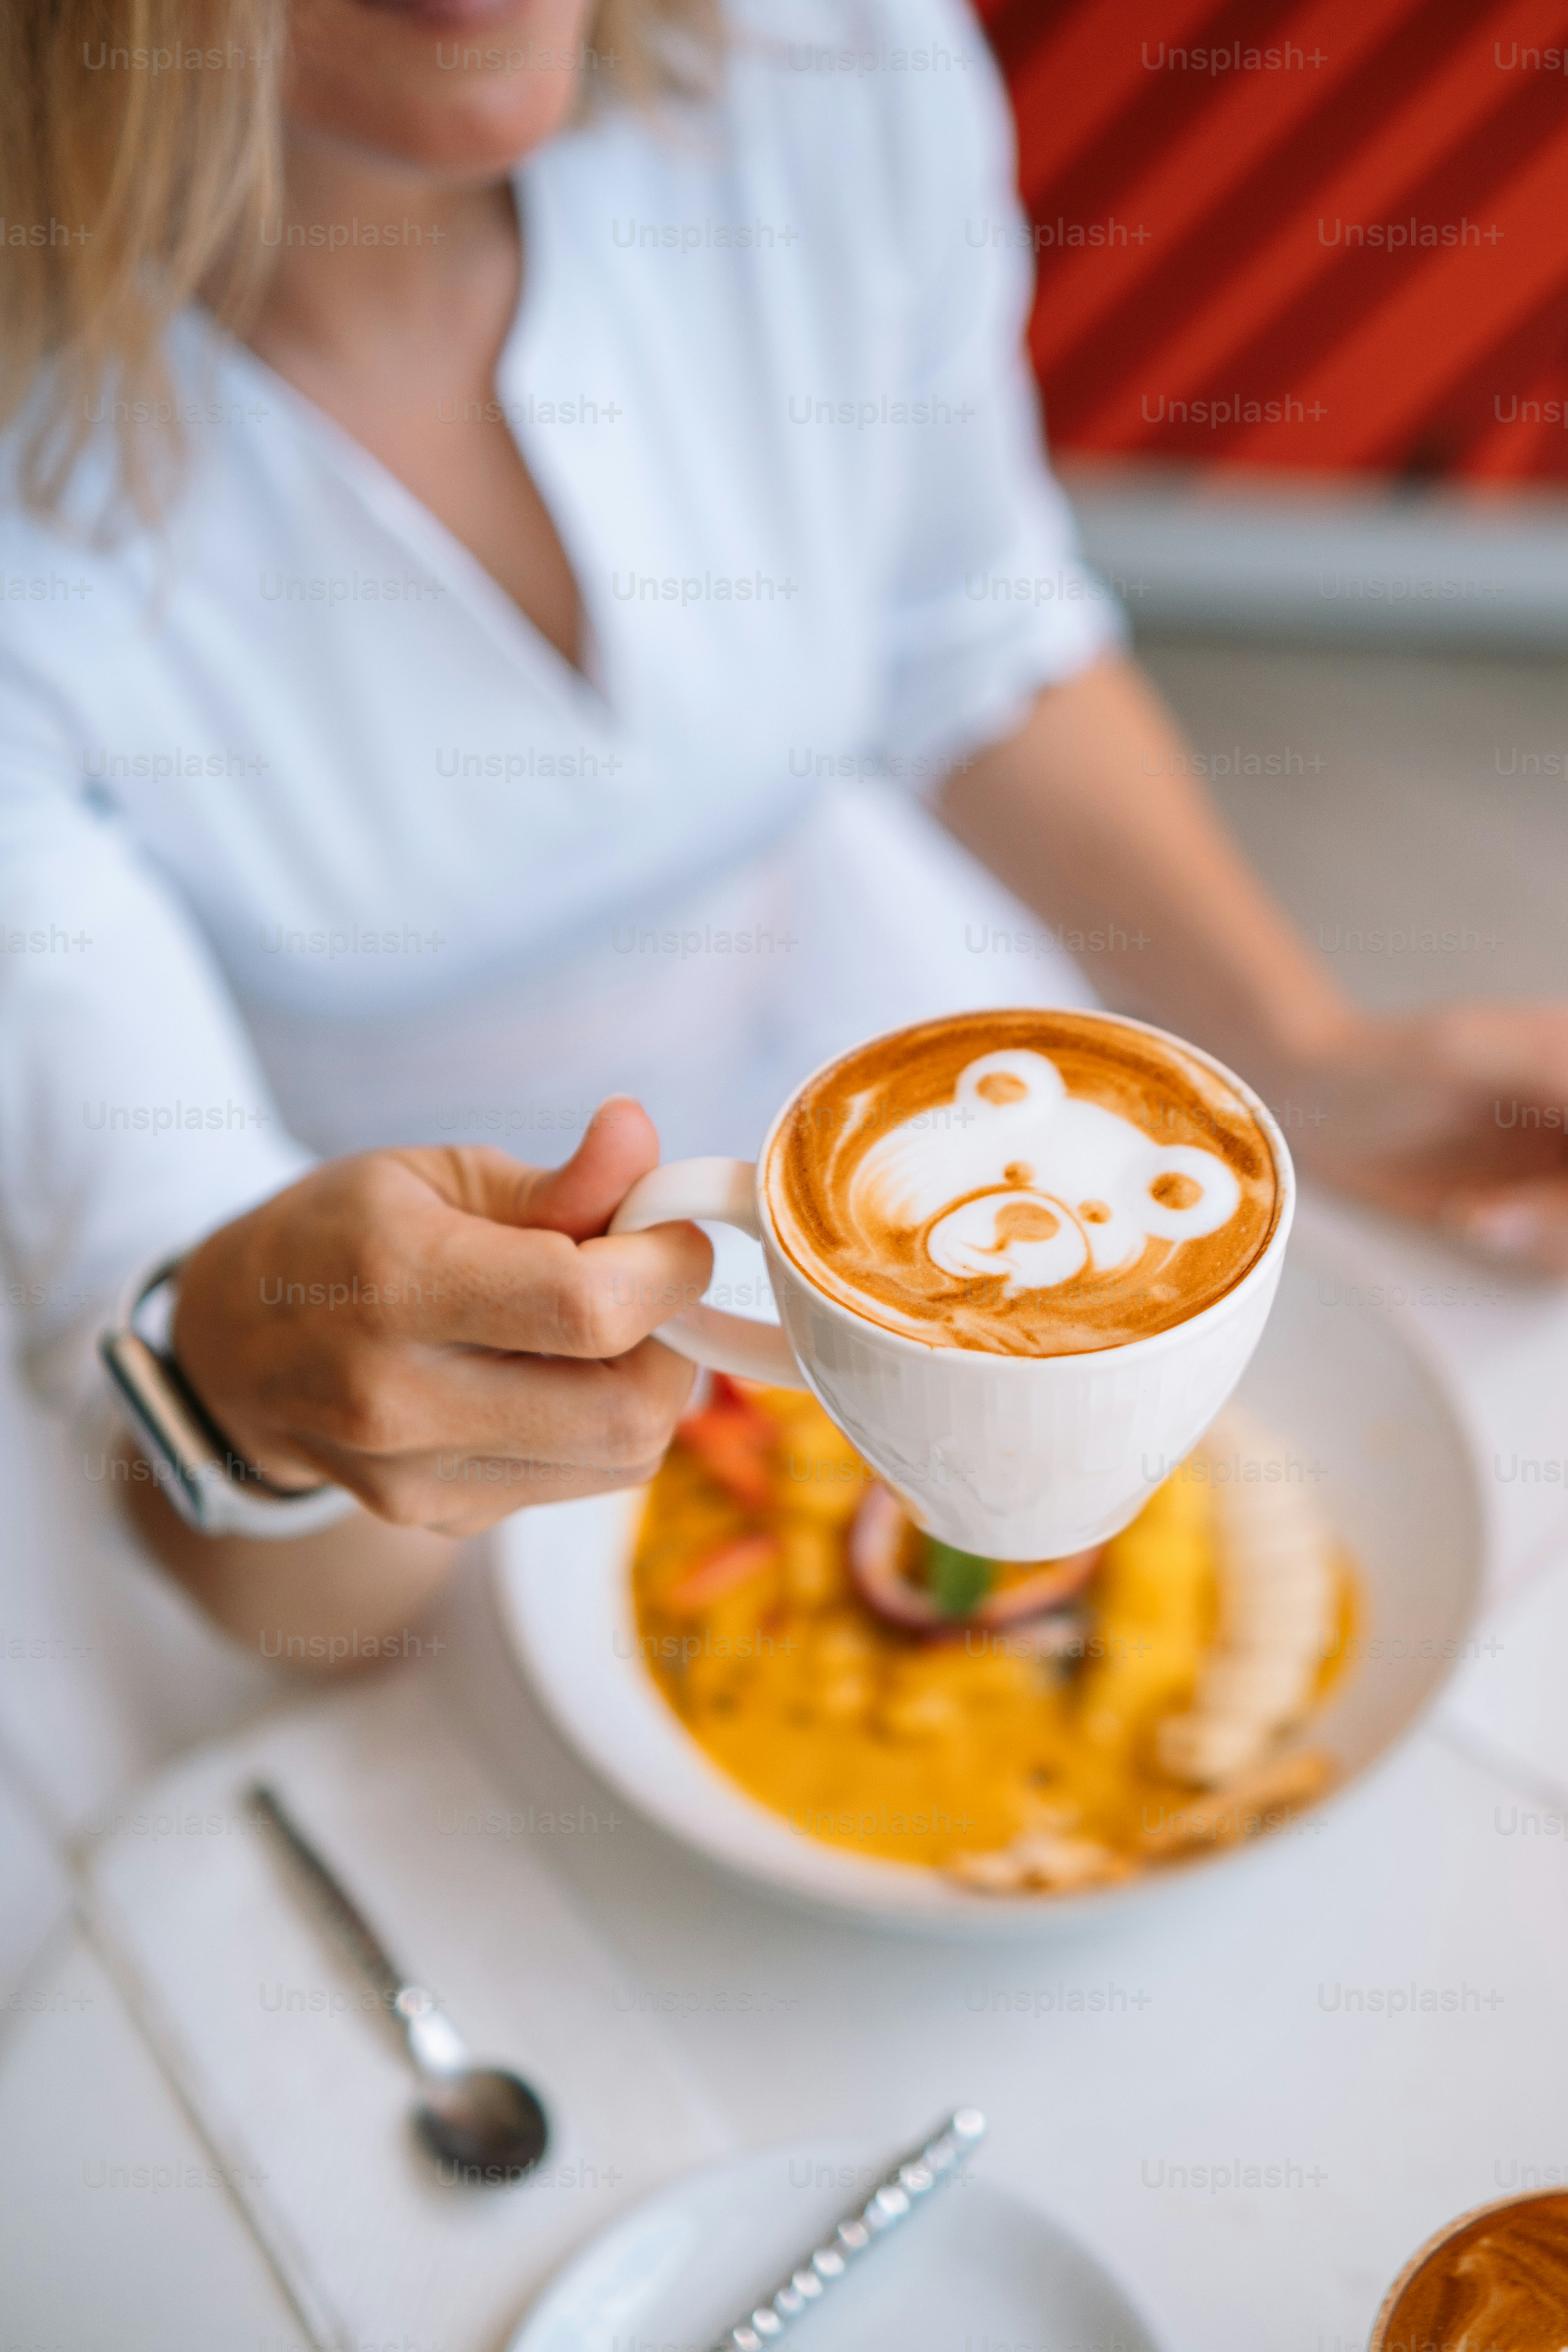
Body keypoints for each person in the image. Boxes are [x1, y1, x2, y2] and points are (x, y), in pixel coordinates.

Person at [3, 0, 1564, 1674]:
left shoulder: (827, 55)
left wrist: (1301, 1053)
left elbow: (963, 629)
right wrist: (258, 1406)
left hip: (884, 1037)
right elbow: (204, 1493)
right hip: (358, 1267)